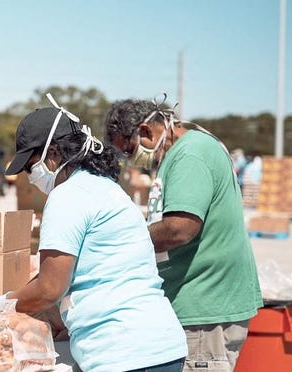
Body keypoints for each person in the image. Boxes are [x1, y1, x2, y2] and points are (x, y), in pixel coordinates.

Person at [0, 94, 188, 372]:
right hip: (160, 346)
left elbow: (49, 288)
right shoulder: (106, 188)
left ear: (51, 155)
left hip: (125, 353)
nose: (29, 175)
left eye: (30, 166)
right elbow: (88, 272)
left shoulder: (68, 196)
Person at [104, 96, 263, 371]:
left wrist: (124, 240)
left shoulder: (190, 154)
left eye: (130, 151)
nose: (131, 160)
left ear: (145, 131)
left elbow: (180, 228)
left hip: (205, 309)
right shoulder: (180, 153)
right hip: (196, 303)